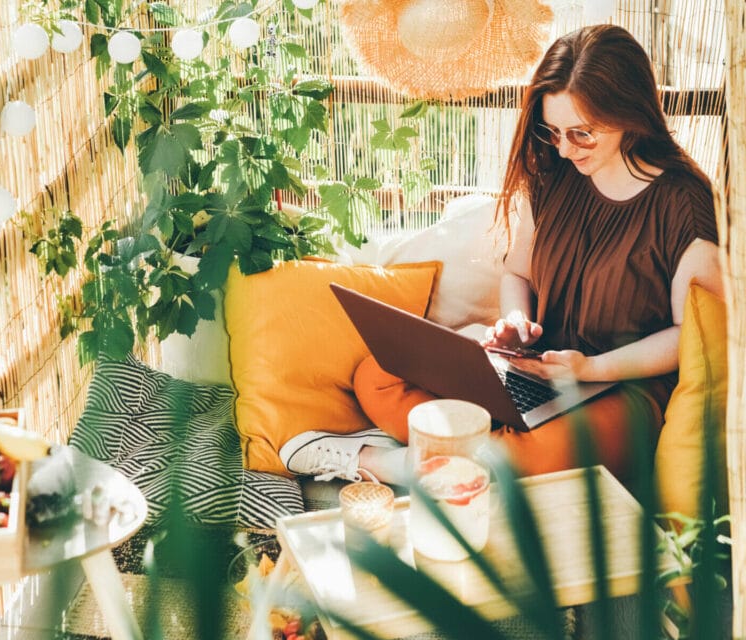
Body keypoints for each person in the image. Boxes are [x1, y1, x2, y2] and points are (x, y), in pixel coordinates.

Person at [279, 24, 723, 486]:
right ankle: (483, 451)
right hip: (539, 370)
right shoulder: (554, 174)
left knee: (518, 458)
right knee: (377, 374)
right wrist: (516, 322)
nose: (566, 149)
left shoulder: (684, 203)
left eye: (582, 133)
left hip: (623, 390)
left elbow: (691, 335)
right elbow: (519, 273)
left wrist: (593, 367)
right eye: (552, 132)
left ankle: (380, 462)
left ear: (630, 114)